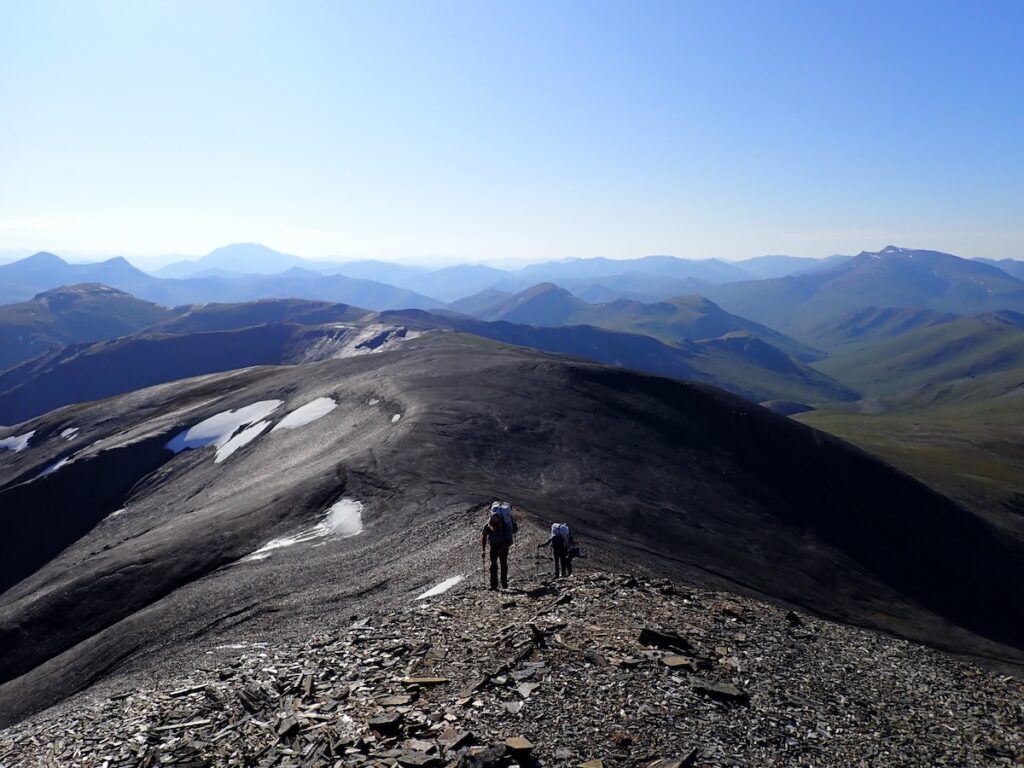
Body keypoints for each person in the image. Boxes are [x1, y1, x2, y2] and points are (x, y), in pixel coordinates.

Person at [481, 511, 513, 590]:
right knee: (493, 566)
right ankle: (493, 585)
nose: (494, 527)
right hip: (494, 548)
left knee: (503, 565)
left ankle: (504, 583)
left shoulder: (505, 526)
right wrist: (483, 550)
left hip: (504, 548)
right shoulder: (488, 525)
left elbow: (510, 541)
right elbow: (484, 537)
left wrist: (502, 547)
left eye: (495, 525)